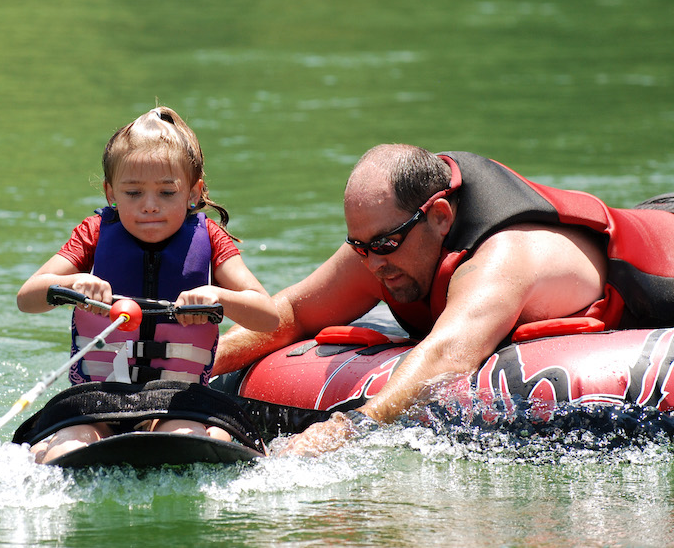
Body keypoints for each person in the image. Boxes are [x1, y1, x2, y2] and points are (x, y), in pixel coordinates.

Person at [211, 144, 674, 456]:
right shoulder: (386, 244)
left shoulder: (505, 256)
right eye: (359, 247)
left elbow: (449, 355)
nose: (372, 263)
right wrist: (190, 365)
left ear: (439, 216)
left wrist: (345, 428)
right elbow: (289, 314)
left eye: (384, 245)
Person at [15, 106, 278, 463]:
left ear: (193, 192)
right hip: (99, 402)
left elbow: (268, 316)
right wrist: (76, 282)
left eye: (167, 193)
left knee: (188, 440)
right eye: (133, 193)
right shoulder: (94, 233)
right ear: (110, 193)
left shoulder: (210, 239)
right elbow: (27, 298)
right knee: (67, 445)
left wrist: (217, 295)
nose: (150, 206)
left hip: (177, 402)